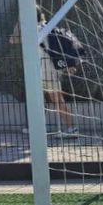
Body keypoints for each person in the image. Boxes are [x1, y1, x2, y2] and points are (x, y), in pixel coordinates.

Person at [10, 8, 79, 138]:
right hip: (45, 68)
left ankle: (72, 128)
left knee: (56, 99)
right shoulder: (46, 26)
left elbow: (13, 39)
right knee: (40, 99)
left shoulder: (33, 30)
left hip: (45, 69)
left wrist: (19, 22)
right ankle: (37, 128)